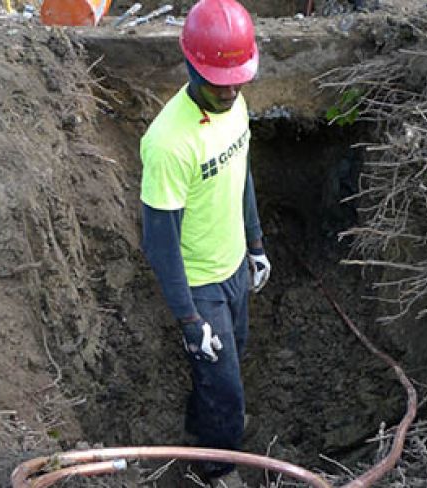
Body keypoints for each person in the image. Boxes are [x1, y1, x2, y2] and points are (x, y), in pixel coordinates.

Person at [138, 0, 268, 484]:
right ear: (191, 65)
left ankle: (206, 423)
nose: (231, 90)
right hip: (200, 285)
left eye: (238, 79)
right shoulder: (169, 143)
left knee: (231, 360)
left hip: (234, 266)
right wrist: (189, 319)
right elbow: (160, 242)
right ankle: (216, 469)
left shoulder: (235, 104)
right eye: (220, 80)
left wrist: (254, 242)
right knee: (226, 386)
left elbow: (242, 174)